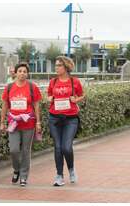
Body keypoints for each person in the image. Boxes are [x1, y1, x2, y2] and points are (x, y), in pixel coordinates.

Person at [0, 62, 42, 187]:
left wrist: (38, 122)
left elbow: (36, 105)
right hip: (13, 124)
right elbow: (5, 105)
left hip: (28, 123)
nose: (22, 73)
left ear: (27, 74)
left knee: (25, 150)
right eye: (20, 71)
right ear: (15, 73)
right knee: (14, 150)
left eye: (24, 71)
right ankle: (16, 169)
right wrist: (2, 122)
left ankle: (23, 176)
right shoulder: (9, 87)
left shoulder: (32, 87)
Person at [47, 56, 85, 186]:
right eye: (56, 65)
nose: (56, 68)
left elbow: (82, 95)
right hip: (54, 118)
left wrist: (76, 100)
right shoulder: (53, 82)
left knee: (66, 147)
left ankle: (71, 169)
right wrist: (50, 99)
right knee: (58, 147)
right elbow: (49, 96)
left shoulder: (75, 82)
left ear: (66, 67)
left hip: (70, 118)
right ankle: (59, 176)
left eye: (59, 65)